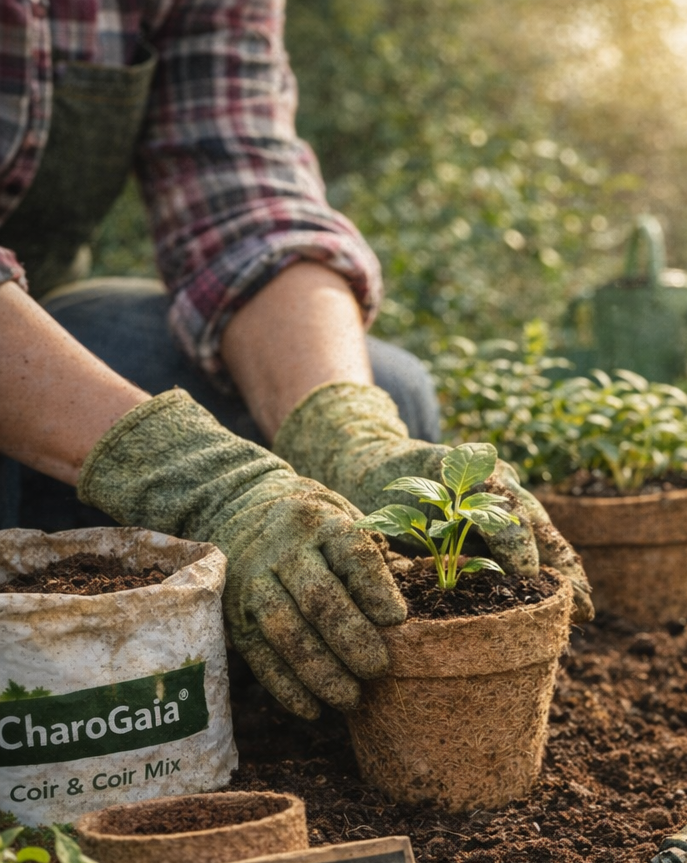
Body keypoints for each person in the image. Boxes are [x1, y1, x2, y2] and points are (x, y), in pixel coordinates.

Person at [0, 0, 591, 720]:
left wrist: (344, 431)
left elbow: (245, 205)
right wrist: (200, 482)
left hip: (36, 305)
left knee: (394, 389)